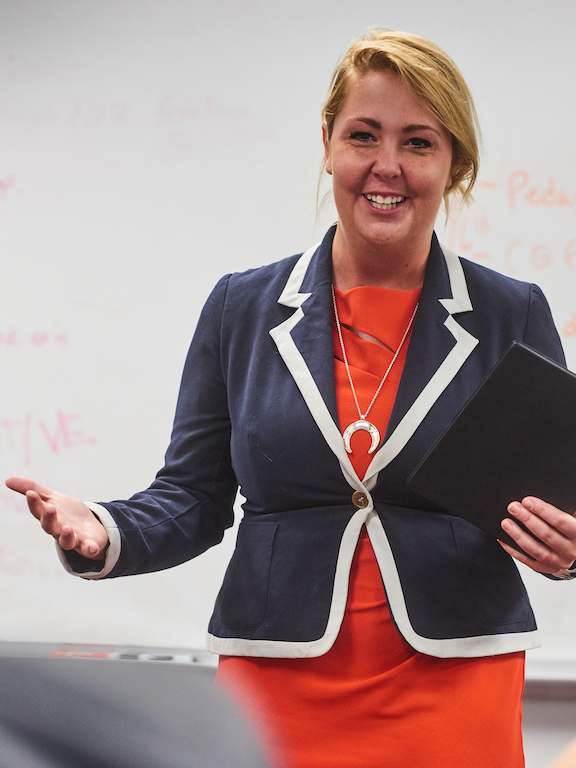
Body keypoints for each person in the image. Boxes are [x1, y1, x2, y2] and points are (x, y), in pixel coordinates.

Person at [6, 28, 576, 768]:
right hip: (277, 676)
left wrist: (568, 550)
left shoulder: (511, 312)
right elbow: (194, 497)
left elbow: (556, 501)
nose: (387, 166)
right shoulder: (242, 308)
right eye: (363, 135)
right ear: (328, 143)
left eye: (419, 143)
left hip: (454, 678)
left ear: (455, 162)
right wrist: (103, 529)